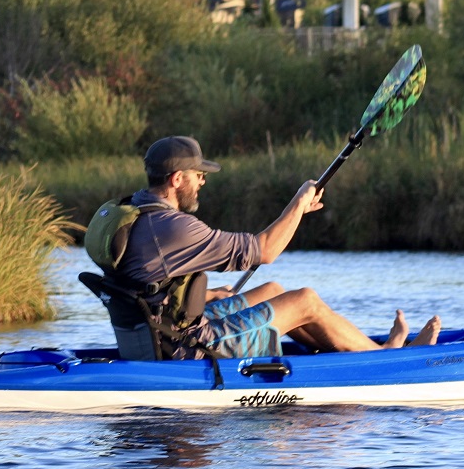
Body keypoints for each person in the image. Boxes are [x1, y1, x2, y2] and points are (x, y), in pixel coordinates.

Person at [110, 135, 440, 360]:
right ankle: (385, 358)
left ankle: (351, 354)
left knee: (273, 290)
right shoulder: (175, 229)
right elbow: (264, 251)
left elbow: (146, 283)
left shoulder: (135, 211)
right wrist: (297, 204)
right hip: (186, 347)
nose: (203, 181)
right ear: (177, 179)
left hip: (157, 330)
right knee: (305, 300)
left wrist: (207, 295)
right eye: (198, 174)